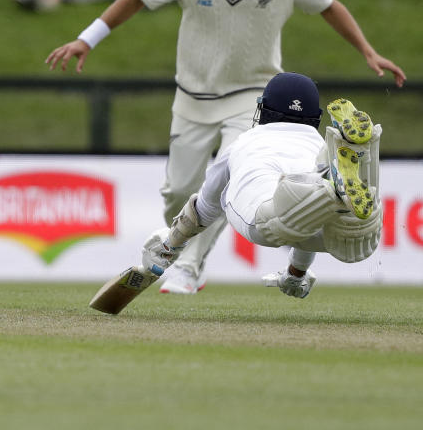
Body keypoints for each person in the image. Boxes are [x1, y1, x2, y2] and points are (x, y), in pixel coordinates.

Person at [46, 0, 406, 295]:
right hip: (193, 96)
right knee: (179, 192)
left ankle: (189, 268)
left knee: (229, 173)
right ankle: (194, 255)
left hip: (252, 99)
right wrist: (86, 39)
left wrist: (368, 51)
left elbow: (328, 5)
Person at [140, 72, 383, 300]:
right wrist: (295, 275)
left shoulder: (243, 143)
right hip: (337, 237)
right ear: (316, 117)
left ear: (264, 109)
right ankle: (352, 176)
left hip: (269, 217)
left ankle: (325, 191)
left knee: (281, 213)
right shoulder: (318, 145)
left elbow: (202, 210)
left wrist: (168, 247)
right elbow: (304, 232)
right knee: (320, 194)